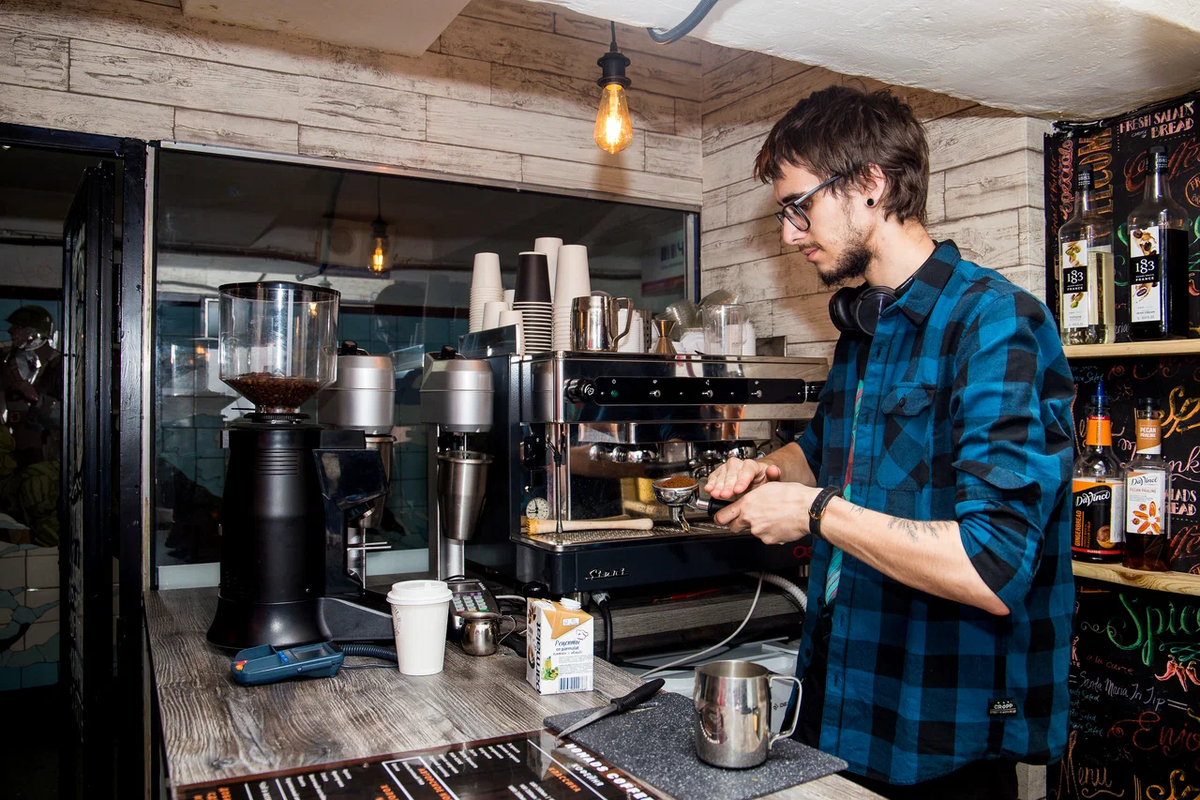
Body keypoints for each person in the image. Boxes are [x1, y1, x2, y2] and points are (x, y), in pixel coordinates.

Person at [702, 86, 1074, 799]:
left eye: (797, 205)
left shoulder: (997, 324)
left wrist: (810, 512)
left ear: (869, 184)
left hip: (942, 726)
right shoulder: (865, 330)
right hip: (842, 705)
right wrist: (761, 469)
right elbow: (828, 447)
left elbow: (992, 568)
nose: (790, 232)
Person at [0, 306, 63, 546]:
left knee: (39, 501)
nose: (11, 331)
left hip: (44, 458)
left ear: (34, 334)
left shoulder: (60, 366)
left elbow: (73, 416)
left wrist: (36, 399)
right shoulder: (5, 363)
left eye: (18, 327)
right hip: (9, 458)